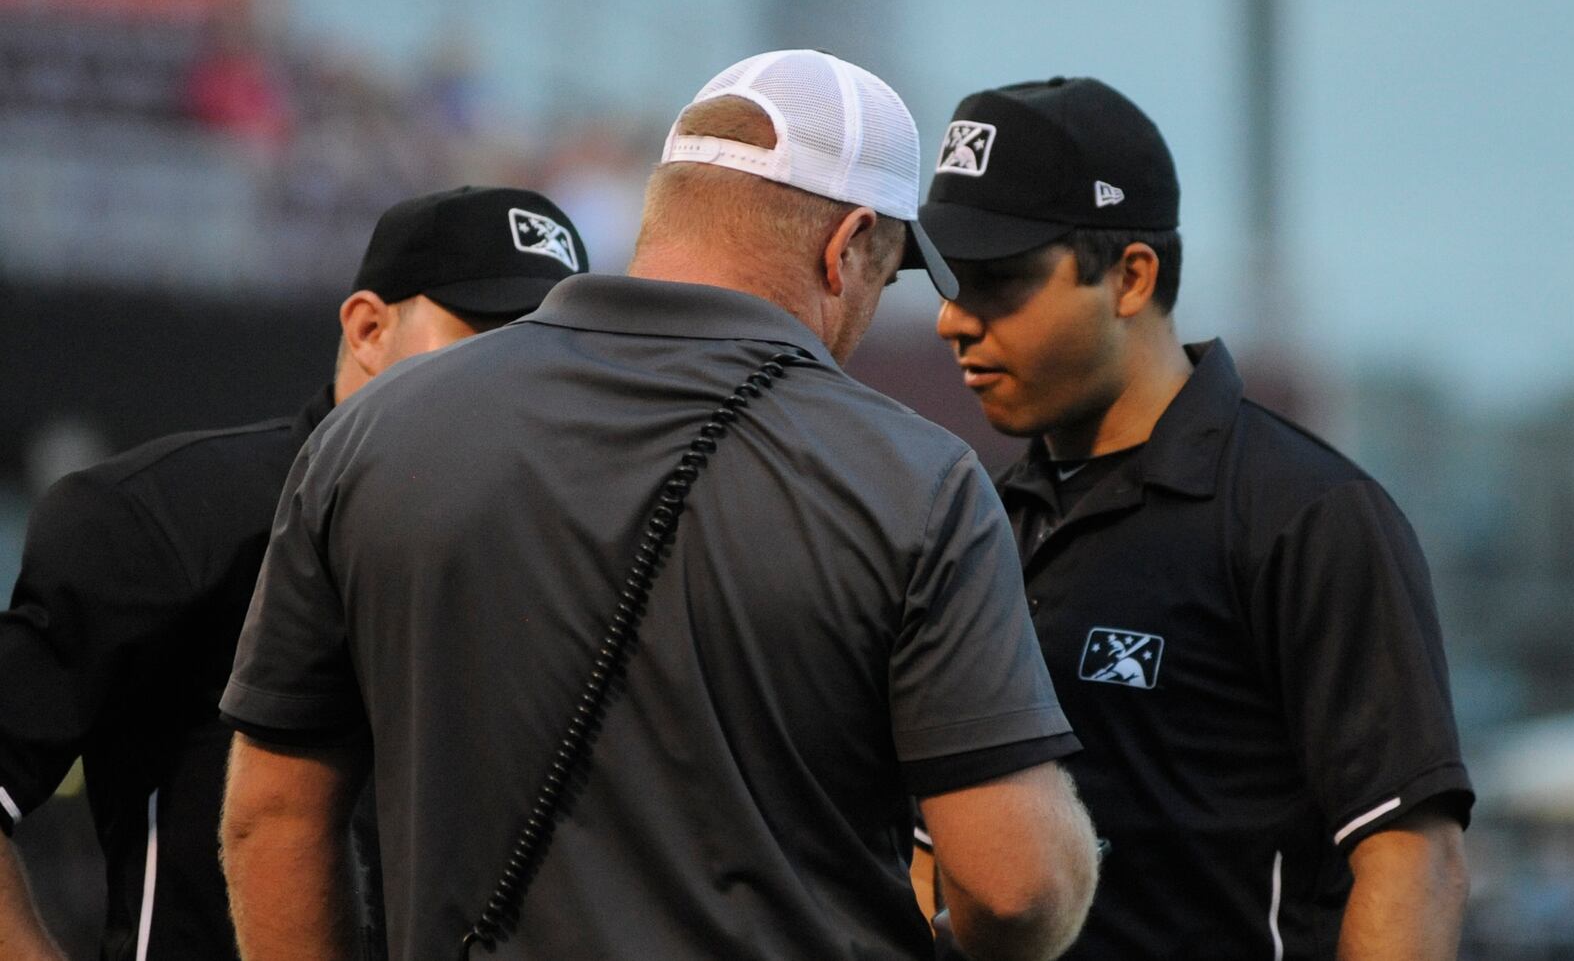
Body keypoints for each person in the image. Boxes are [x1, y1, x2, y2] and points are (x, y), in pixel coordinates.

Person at [218, 49, 1100, 961]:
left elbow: (270, 820)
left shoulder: (370, 435)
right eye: (886, 272)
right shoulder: (915, 478)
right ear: (845, 251)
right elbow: (1016, 886)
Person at [915, 76, 1473, 959]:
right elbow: (937, 850)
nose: (952, 318)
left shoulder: (1305, 514)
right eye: (950, 279)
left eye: (997, 280)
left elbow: (1412, 858)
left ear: (1131, 276)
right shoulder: (972, 513)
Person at [0, 185, 589, 961]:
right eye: (488, 339)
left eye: (552, 353)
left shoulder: (570, 554)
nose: (520, 382)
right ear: (369, 328)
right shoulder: (174, 516)